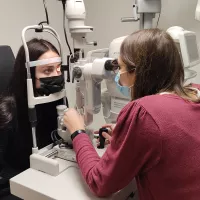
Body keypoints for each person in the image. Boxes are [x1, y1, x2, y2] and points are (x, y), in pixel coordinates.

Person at [63, 28, 200, 200]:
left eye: (120, 67)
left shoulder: (144, 112)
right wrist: (129, 137)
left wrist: (78, 131)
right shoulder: (194, 93)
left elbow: (100, 183)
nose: (118, 78)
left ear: (137, 71)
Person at [0, 38, 66, 199]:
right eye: (47, 70)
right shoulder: (7, 113)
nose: (57, 76)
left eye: (58, 69)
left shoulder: (55, 99)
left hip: (48, 176)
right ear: (27, 75)